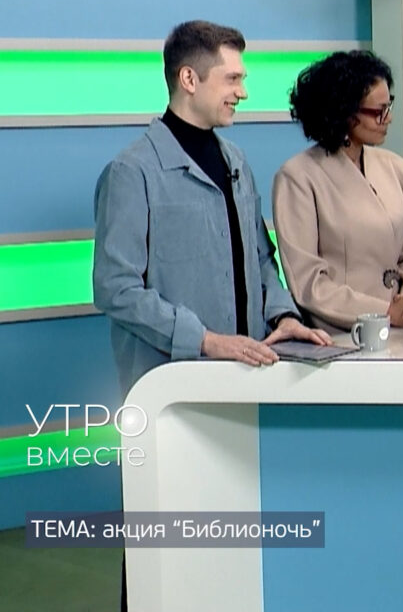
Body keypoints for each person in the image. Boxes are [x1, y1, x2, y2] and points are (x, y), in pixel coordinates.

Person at [93, 20, 331, 390]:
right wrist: (205, 340)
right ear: (189, 79)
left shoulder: (236, 161)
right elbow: (116, 289)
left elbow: (260, 259)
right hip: (169, 388)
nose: (243, 93)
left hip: (249, 379)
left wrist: (283, 316)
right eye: (232, 79)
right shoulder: (132, 172)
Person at [272, 51, 403, 330]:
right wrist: (383, 312)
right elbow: (307, 282)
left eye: (389, 106)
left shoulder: (395, 168)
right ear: (344, 112)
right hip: (340, 336)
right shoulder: (298, 177)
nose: (388, 118)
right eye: (378, 112)